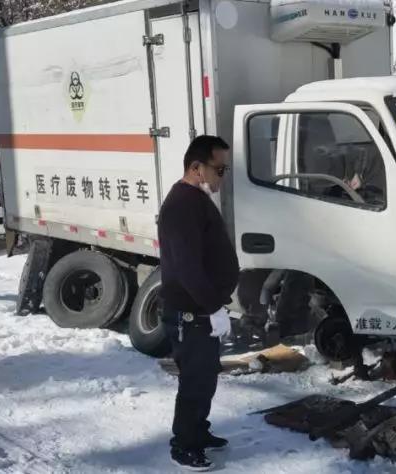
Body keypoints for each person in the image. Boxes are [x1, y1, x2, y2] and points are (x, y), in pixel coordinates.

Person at [158, 135, 240, 471]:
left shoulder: (196, 199)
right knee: (194, 380)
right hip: (190, 313)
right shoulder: (181, 205)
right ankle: (184, 444)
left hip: (200, 311)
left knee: (206, 377)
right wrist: (213, 308)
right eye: (220, 169)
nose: (223, 176)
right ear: (197, 167)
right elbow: (187, 267)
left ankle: (198, 431)